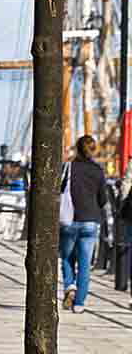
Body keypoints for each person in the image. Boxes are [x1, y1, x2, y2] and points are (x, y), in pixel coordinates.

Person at [61, 135, 107, 314]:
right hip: (90, 221)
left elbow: (60, 189)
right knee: (85, 264)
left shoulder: (69, 167)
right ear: (93, 150)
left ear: (77, 148)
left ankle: (69, 286)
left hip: (69, 218)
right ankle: (79, 303)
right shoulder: (98, 171)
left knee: (66, 257)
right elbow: (103, 199)